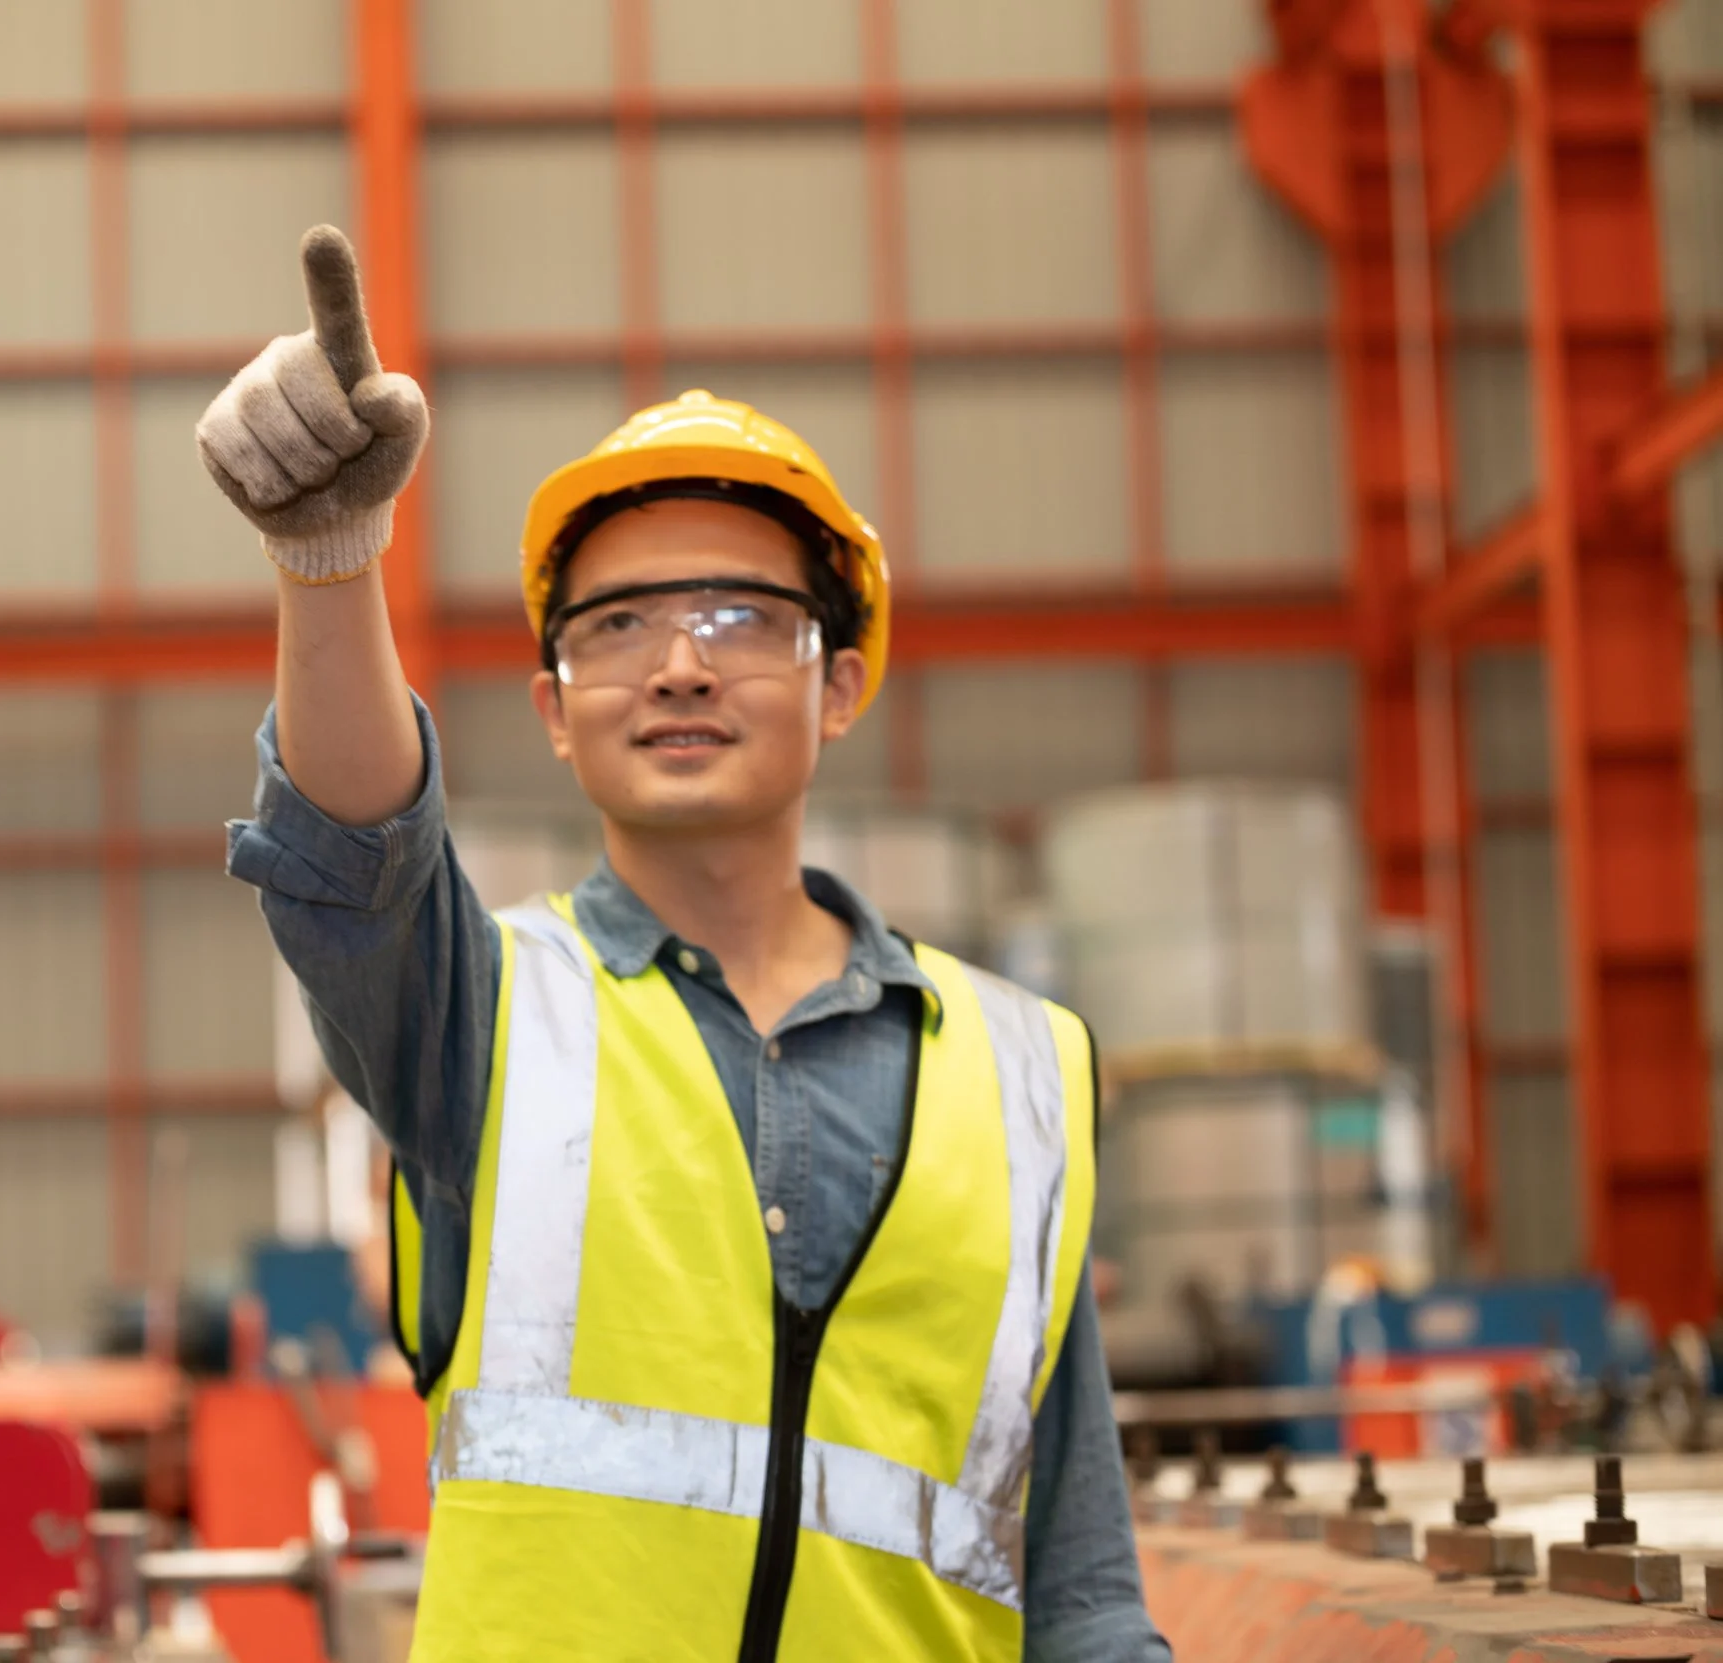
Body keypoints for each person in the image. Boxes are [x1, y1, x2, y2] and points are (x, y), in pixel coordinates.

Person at [204, 226, 1170, 1661]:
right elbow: (355, 861)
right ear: (553, 705)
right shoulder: (483, 1022)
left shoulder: (1023, 1076)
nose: (676, 662)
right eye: (616, 626)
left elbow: (1078, 1579)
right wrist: (328, 561)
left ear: (837, 683)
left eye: (739, 618)